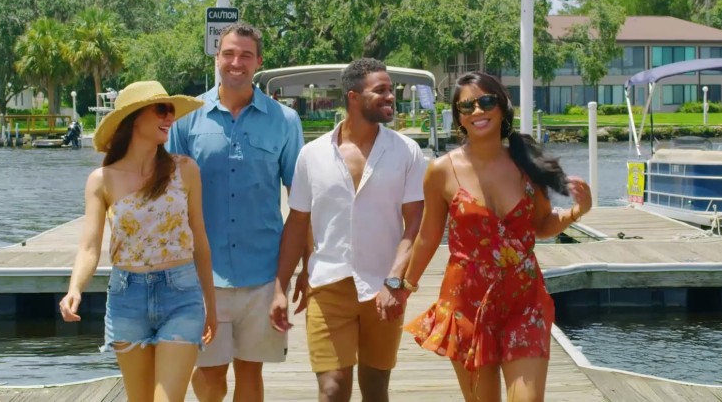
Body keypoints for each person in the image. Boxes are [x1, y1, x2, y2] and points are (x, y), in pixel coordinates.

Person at [402, 71, 592, 402]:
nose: (477, 111)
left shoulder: (527, 163)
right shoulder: (440, 171)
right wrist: (404, 287)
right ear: (458, 117)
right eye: (467, 106)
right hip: (467, 305)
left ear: (502, 106)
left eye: (486, 101)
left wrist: (578, 212)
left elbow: (543, 224)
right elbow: (429, 236)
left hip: (524, 302)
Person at [270, 58, 428, 402]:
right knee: (332, 390)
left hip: (383, 289)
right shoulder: (312, 155)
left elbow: (414, 221)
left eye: (392, 90)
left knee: (375, 390)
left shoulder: (407, 152)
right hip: (327, 287)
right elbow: (297, 223)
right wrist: (279, 288)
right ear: (353, 97)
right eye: (381, 91)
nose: (391, 97)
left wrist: (396, 279)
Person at [167, 22, 305, 402]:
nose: (236, 62)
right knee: (208, 375)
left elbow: (301, 203)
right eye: (229, 53)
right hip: (200, 275)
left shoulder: (285, 121)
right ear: (217, 58)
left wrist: (301, 269)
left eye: (246, 55)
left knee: (251, 372)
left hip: (263, 273)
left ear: (258, 62)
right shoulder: (187, 119)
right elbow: (168, 195)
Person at [59, 80, 217, 402]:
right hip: (126, 298)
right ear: (134, 118)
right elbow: (89, 247)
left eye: (171, 110)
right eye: (161, 109)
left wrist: (211, 306)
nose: (170, 117)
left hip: (181, 296)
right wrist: (75, 288)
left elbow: (199, 240)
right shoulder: (101, 180)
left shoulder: (185, 170)